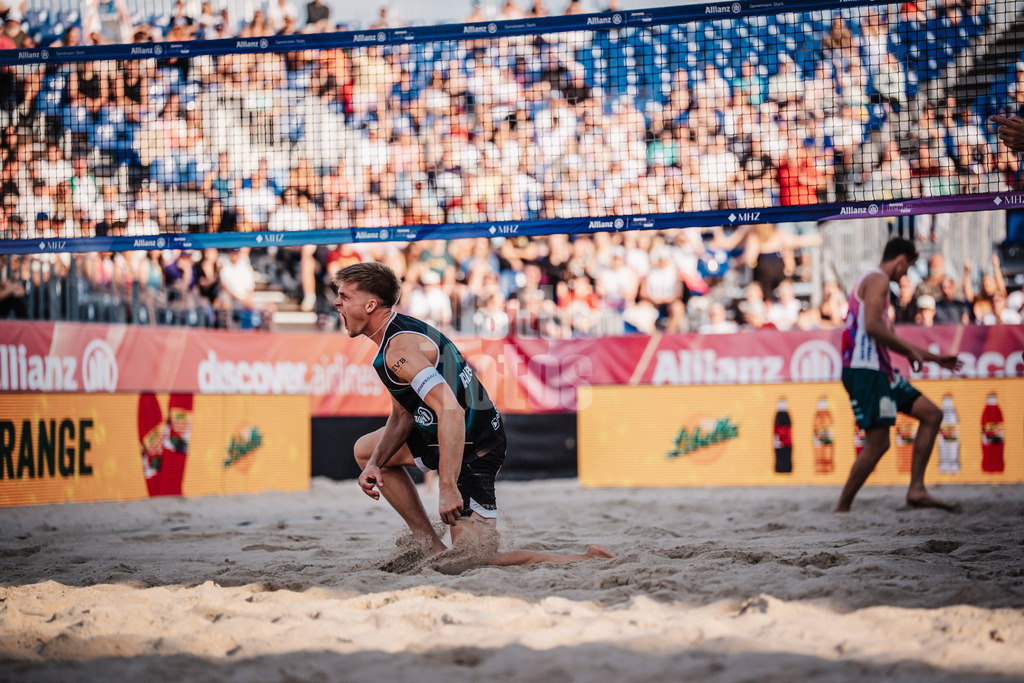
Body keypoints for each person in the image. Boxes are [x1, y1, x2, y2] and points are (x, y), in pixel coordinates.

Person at [333, 262, 612, 568]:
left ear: (370, 304)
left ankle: (582, 559)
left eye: (344, 296)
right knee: (366, 452)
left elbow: (450, 409)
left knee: (470, 562)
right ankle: (428, 544)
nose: (336, 302)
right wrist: (375, 465)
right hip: (445, 434)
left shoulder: (399, 351)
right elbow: (403, 416)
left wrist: (447, 486)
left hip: (475, 447)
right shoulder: (398, 334)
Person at [835, 237, 963, 513]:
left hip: (881, 371)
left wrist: (935, 359)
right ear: (902, 260)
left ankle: (916, 489)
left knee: (932, 415)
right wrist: (914, 353)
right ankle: (842, 506)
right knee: (879, 443)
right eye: (907, 269)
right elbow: (871, 327)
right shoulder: (879, 279)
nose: (905, 275)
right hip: (865, 371)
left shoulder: (875, 285)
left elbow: (889, 337)